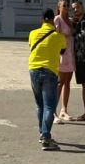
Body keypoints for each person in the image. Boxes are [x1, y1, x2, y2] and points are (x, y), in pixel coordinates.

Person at [28, 8, 68, 150]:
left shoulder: (33, 33)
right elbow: (62, 51)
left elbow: (31, 46)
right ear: (53, 20)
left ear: (42, 19)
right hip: (49, 71)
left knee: (39, 105)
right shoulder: (59, 36)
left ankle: (42, 133)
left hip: (33, 69)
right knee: (49, 106)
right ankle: (46, 137)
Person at [53, 0, 75, 123]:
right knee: (59, 83)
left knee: (67, 82)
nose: (66, 7)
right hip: (62, 54)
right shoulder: (57, 19)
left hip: (70, 54)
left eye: (67, 5)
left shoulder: (70, 21)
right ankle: (53, 111)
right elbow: (55, 35)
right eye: (64, 6)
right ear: (59, 7)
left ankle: (64, 110)